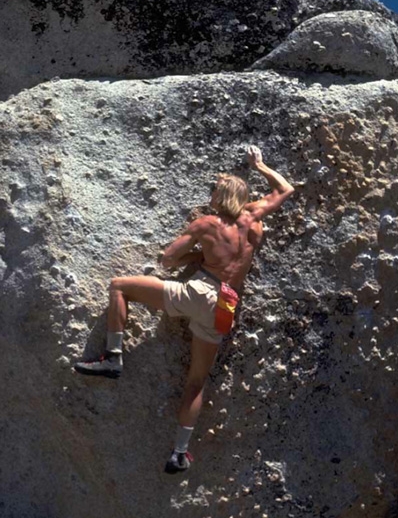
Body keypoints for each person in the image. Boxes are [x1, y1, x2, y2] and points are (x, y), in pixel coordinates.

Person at [74, 145, 295, 473]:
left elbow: (167, 259)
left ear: (223, 196)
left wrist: (196, 257)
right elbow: (286, 188)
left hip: (201, 291)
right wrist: (260, 165)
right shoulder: (253, 217)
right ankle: (179, 452)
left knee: (120, 285)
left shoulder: (206, 224)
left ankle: (113, 357)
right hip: (226, 303)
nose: (212, 194)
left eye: (215, 190)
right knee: (196, 382)